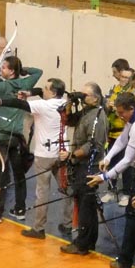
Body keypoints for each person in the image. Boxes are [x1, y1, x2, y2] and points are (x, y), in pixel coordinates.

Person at [87, 91, 135, 268]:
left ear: (131, 108)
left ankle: (125, 261)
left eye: (122, 113)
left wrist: (104, 177)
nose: (120, 116)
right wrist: (108, 157)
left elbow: (128, 159)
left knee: (133, 213)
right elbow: (123, 138)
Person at [0, 77, 68, 238]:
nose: (43, 90)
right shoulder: (64, 103)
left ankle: (38, 228)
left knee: (42, 193)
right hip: (61, 154)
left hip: (44, 156)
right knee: (67, 189)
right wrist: (30, 93)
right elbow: (39, 93)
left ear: (53, 93)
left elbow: (19, 104)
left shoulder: (43, 106)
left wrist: (0, 101)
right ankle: (69, 224)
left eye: (46, 88)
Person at [0, 56, 44, 224]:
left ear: (12, 71)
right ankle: (20, 209)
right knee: (18, 174)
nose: (1, 70)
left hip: (1, 136)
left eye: (4, 68)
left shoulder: (1, 86)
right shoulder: (24, 84)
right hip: (17, 137)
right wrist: (23, 70)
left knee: (1, 174)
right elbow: (38, 72)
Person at [58, 83, 108, 252]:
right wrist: (70, 103)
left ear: (96, 98)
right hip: (81, 164)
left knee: (86, 205)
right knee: (85, 204)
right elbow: (69, 120)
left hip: (89, 166)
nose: (83, 97)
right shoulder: (86, 112)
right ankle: (87, 240)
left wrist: (72, 155)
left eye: (85, 95)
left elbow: (93, 145)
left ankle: (82, 244)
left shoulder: (97, 117)